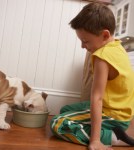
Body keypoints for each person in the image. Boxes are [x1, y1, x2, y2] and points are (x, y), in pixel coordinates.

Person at [50, 2, 134, 150]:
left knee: (58, 123)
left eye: (85, 41)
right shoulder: (117, 46)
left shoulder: (102, 57)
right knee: (66, 110)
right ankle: (111, 131)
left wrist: (95, 140)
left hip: (112, 115)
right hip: (121, 113)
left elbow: (97, 98)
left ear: (105, 35)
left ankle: (113, 137)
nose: (83, 46)